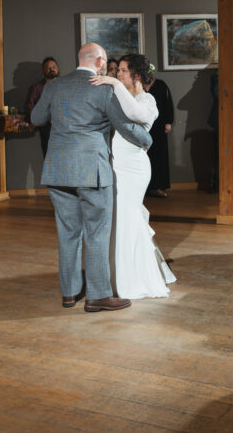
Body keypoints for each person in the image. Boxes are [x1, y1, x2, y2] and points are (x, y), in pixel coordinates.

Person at [31, 42, 152, 312]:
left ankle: (70, 293)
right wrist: (147, 140)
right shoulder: (103, 87)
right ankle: (98, 296)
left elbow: (37, 118)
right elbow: (125, 124)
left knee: (68, 233)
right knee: (96, 234)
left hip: (58, 170)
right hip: (92, 171)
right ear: (99, 62)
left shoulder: (53, 86)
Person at [92, 54, 176, 299]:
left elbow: (137, 115)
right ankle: (116, 274)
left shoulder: (147, 99)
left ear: (137, 75)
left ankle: (134, 278)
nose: (119, 74)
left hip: (134, 168)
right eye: (118, 71)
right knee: (119, 219)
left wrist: (115, 85)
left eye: (124, 70)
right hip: (115, 165)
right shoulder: (119, 96)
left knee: (128, 218)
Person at [23, 56, 59, 156]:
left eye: (54, 66)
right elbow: (28, 107)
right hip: (49, 129)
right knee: (51, 162)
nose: (52, 69)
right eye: (48, 67)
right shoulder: (36, 88)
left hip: (67, 129)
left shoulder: (65, 86)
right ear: (43, 71)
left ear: (57, 69)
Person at [146, 76, 174, 198]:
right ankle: (147, 187)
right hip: (144, 125)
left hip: (159, 125)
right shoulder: (137, 85)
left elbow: (168, 103)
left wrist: (168, 122)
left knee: (160, 156)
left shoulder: (161, 84)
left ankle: (159, 186)